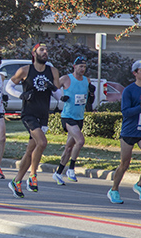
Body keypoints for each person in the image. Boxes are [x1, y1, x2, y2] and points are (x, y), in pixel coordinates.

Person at [5, 43, 62, 198]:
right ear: (34, 53)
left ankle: (16, 181)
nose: (45, 52)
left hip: (43, 114)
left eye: (46, 50)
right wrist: (21, 95)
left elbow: (59, 96)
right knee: (42, 143)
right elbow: (8, 87)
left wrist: (52, 87)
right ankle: (33, 176)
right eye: (42, 50)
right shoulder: (25, 70)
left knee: (31, 150)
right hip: (29, 114)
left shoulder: (53, 71)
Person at [107, 60, 141, 204]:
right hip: (129, 131)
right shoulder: (129, 90)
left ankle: (140, 184)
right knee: (124, 164)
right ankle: (114, 190)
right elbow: (125, 112)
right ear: (135, 73)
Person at [52, 56, 90, 185]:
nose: (82, 69)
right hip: (67, 117)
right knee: (80, 141)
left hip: (79, 117)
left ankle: (58, 173)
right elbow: (53, 89)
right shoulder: (66, 79)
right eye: (80, 66)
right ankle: (71, 169)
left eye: (84, 67)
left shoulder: (86, 80)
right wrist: (61, 97)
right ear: (74, 66)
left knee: (68, 148)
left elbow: (88, 97)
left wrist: (92, 94)